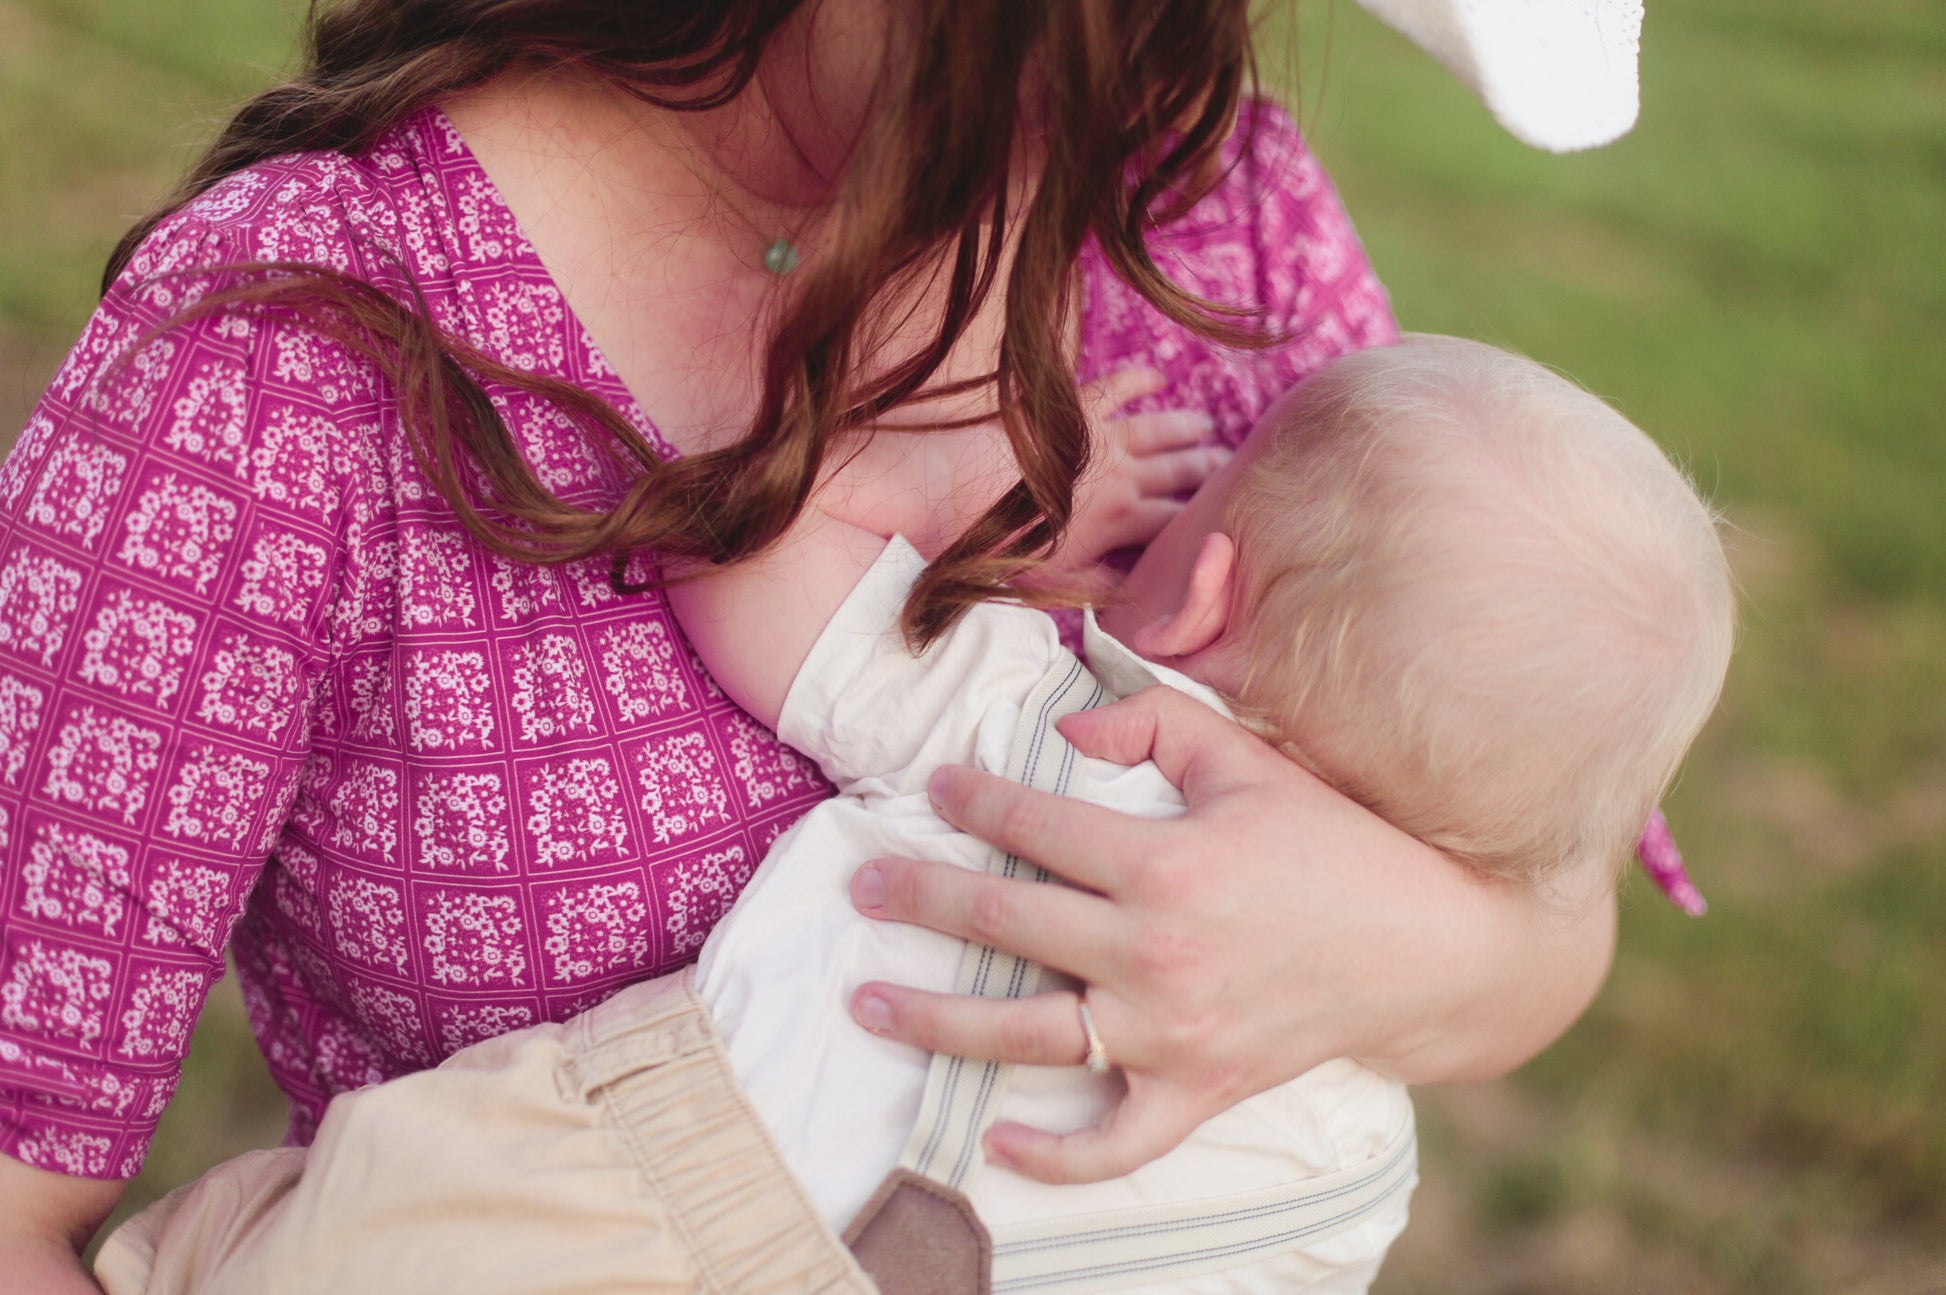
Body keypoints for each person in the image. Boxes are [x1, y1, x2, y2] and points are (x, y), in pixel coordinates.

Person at [0, 2, 1643, 1289]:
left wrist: (1389, 940)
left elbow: (1557, 916)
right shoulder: (294, 347)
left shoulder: (1202, 206)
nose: (1153, 54)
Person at [87, 334, 1732, 1295]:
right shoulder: (1355, 1142)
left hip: (647, 1218)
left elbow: (725, 557)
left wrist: (984, 510)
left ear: (1200, 583)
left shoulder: (1056, 720)